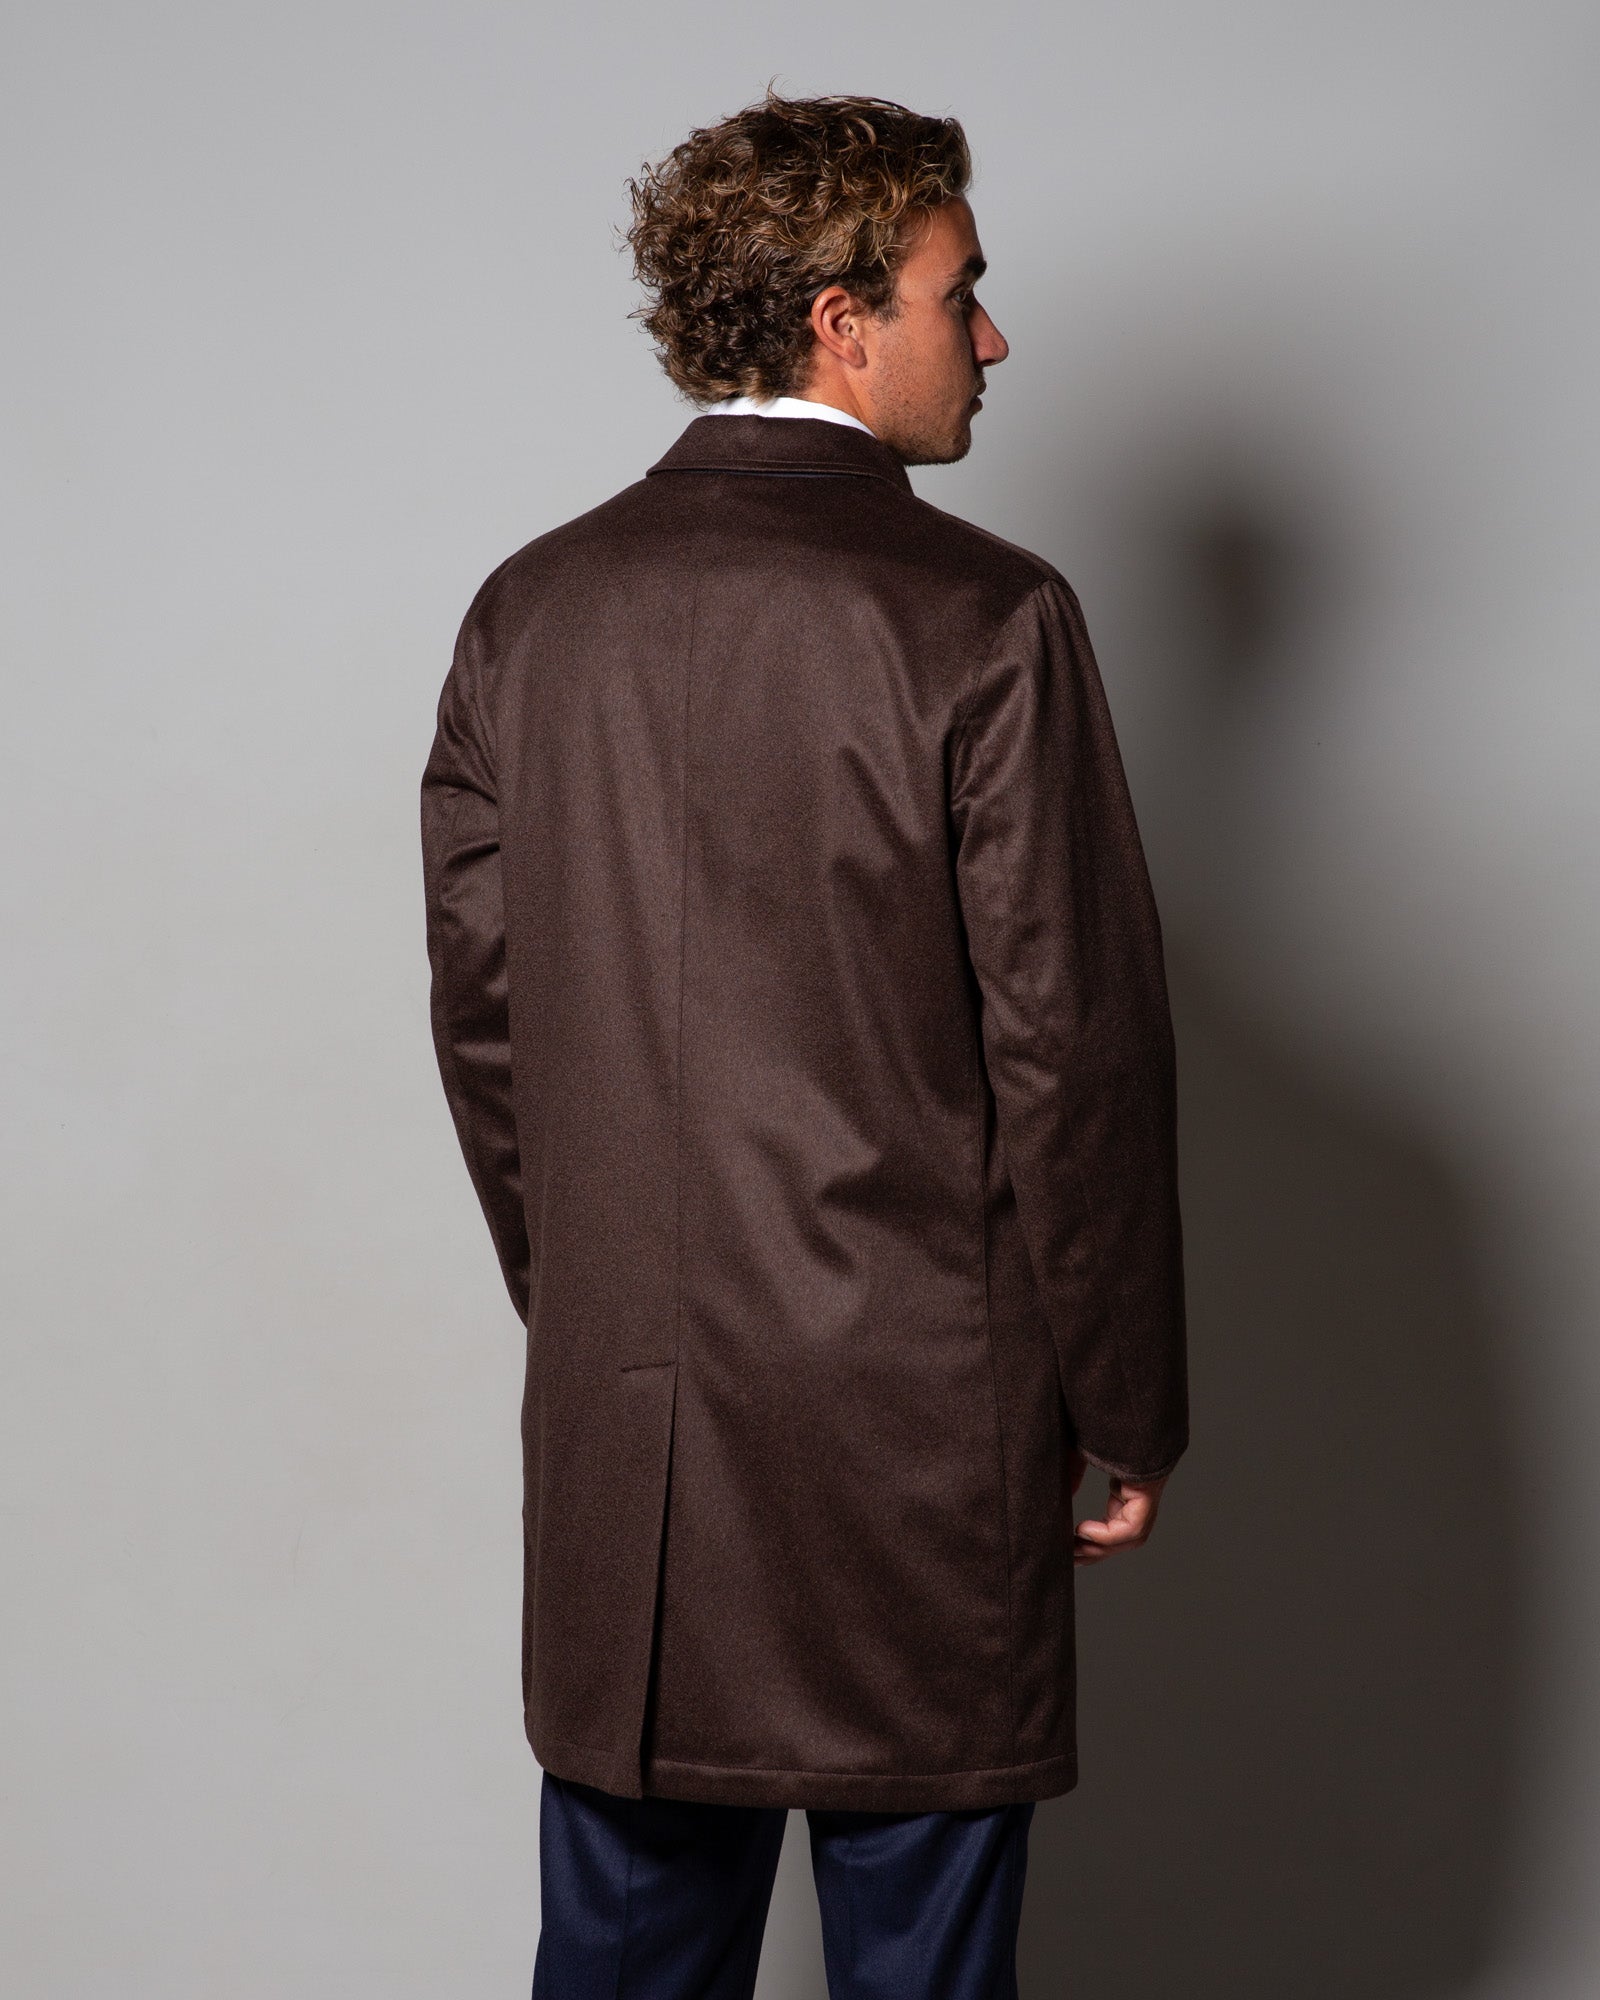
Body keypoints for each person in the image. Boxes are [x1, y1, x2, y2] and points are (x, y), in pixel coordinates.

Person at [420, 87, 1188, 2000]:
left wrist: (601, 1311)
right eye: (958, 291)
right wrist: (1123, 1399)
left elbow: (487, 1029)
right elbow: (1073, 1053)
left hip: (633, 1441)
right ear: (843, 320)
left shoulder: (533, 612)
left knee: (623, 1958)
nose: (991, 338)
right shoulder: (988, 617)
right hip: (916, 1434)